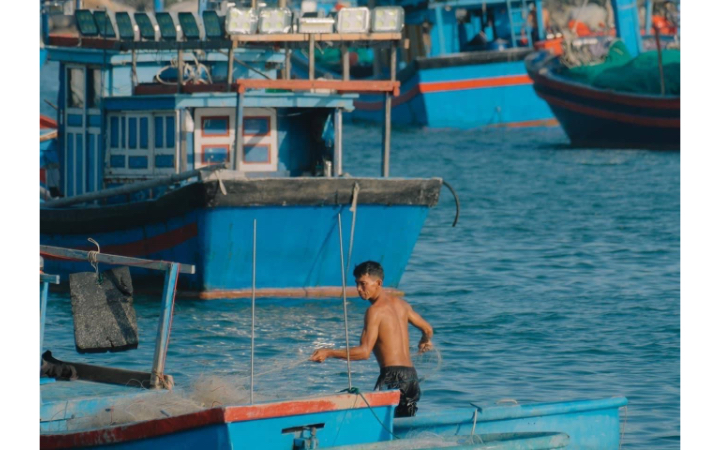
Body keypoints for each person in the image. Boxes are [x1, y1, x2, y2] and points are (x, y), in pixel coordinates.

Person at [310, 261, 434, 417]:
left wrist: (329, 353)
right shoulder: (402, 305)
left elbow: (364, 352)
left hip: (393, 376)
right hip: (411, 377)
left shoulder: (374, 311)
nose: (359, 289)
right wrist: (425, 340)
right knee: (403, 426)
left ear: (378, 283)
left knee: (386, 425)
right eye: (356, 284)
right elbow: (428, 329)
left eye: (363, 284)